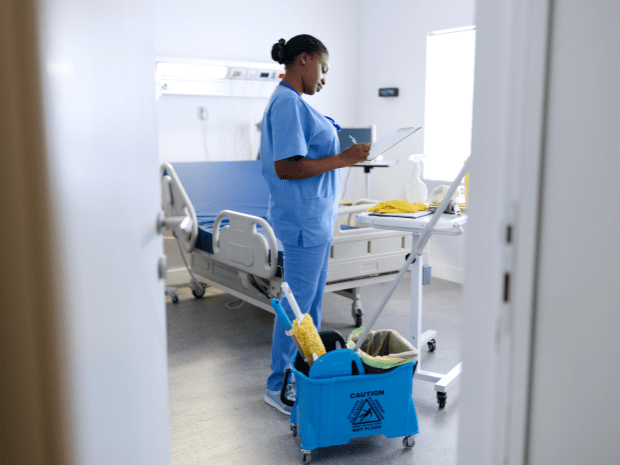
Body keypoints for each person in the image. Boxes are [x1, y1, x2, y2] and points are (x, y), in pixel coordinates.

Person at [260, 34, 370, 414]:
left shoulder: (299, 105)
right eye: (323, 69)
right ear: (303, 60)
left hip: (316, 220)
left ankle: (308, 374)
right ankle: (278, 385)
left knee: (311, 310)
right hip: (304, 221)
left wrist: (345, 154)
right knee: (297, 309)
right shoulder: (287, 103)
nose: (324, 78)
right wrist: (344, 159)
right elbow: (287, 167)